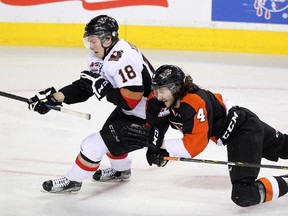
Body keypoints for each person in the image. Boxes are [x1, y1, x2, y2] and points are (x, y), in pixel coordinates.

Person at [125, 64, 288, 207]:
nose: (158, 96)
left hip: (243, 131)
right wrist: (155, 149)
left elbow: (193, 147)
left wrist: (160, 145)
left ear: (175, 88)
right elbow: (156, 127)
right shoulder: (158, 100)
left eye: (161, 91)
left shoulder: (194, 102)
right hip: (245, 124)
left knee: (243, 194)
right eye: (155, 90)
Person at [28, 14, 154, 193]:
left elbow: (130, 101)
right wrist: (54, 98)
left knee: (93, 144)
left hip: (151, 117)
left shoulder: (124, 57)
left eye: (93, 41)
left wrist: (103, 88)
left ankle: (73, 181)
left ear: (107, 39)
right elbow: (86, 86)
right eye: (89, 41)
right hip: (137, 111)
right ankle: (121, 171)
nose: (91, 46)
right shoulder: (100, 54)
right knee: (109, 138)